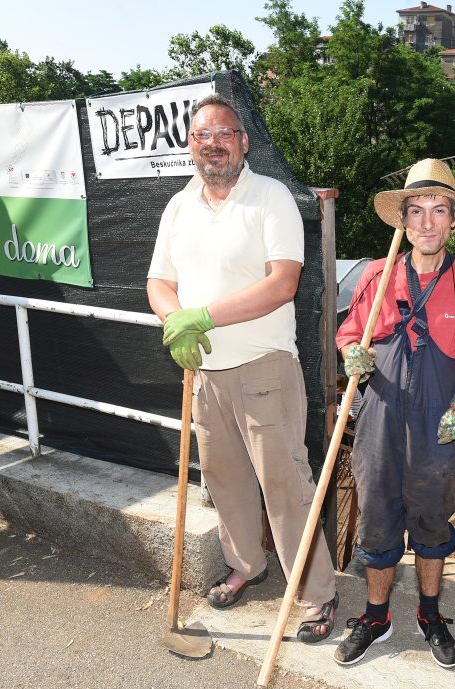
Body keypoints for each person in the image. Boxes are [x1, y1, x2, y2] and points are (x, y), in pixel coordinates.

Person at [146, 94, 338, 643]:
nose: (214, 144)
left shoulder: (270, 198)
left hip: (263, 370)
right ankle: (246, 567)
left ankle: (317, 593)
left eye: (225, 134)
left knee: (286, 486)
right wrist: (174, 321)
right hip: (203, 372)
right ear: (190, 145)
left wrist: (202, 315)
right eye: (203, 135)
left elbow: (284, 283)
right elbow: (159, 282)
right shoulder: (179, 207)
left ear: (243, 142)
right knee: (226, 483)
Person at [333, 159, 455, 668]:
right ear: (403, 220)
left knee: (431, 519)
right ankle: (376, 616)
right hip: (380, 416)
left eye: (438, 210)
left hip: (438, 420)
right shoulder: (378, 275)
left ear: (453, 221)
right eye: (417, 211)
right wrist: (351, 352)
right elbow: (349, 334)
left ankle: (429, 613)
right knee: (377, 518)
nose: (427, 222)